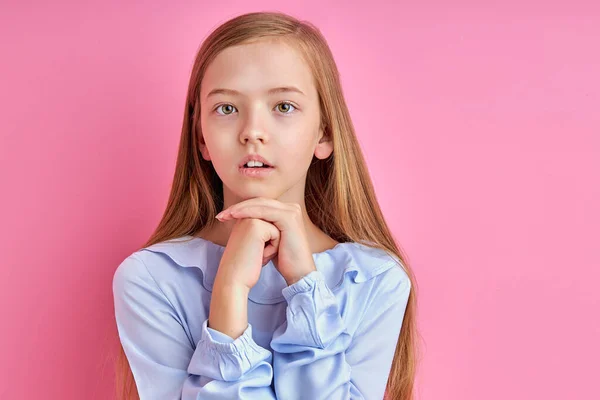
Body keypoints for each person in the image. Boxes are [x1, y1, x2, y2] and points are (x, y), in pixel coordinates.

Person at [112, 11, 419, 400]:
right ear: (201, 139)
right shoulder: (151, 279)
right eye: (226, 108)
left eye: (284, 107)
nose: (252, 132)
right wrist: (228, 292)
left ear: (324, 133)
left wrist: (306, 289)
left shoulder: (376, 281)